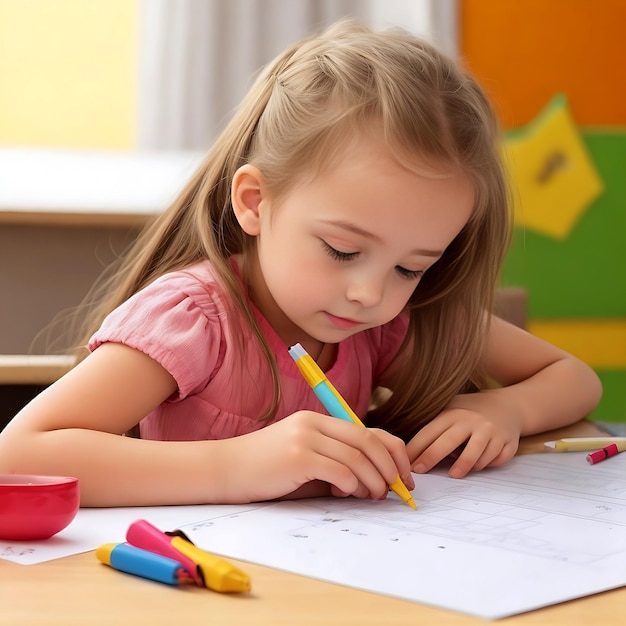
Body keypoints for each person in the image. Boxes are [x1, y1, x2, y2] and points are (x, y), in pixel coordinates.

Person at [0, 20, 601, 507]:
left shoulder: (384, 324)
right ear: (255, 203)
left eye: (412, 268)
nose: (371, 293)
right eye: (343, 250)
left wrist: (504, 407)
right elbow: (19, 453)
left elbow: (575, 378)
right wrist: (237, 467)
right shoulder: (192, 320)